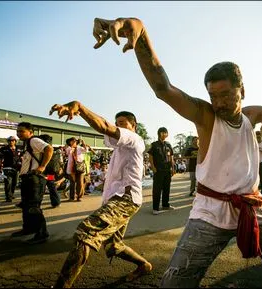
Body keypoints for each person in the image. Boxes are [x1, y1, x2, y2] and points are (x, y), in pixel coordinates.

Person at [91, 17, 262, 287]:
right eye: (213, 95)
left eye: (226, 95)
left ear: (243, 91)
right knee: (174, 284)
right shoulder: (206, 116)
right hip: (210, 212)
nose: (219, 103)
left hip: (254, 206)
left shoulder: (252, 115)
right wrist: (140, 33)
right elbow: (163, 87)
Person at [50, 102, 152, 288]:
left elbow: (104, 126)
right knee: (114, 246)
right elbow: (105, 128)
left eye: (122, 123)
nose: (118, 126)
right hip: (117, 200)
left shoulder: (134, 139)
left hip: (125, 200)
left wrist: (79, 108)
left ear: (133, 126)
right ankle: (144, 265)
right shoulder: (119, 148)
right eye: (117, 122)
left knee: (85, 234)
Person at [11, 122, 53, 244]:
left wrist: (42, 166)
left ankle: (42, 233)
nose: (19, 134)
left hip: (35, 179)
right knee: (26, 206)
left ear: (30, 132)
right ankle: (28, 229)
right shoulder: (26, 144)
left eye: (22, 131)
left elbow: (49, 148)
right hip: (27, 179)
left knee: (34, 207)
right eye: (17, 131)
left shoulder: (33, 140)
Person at [148, 127, 176, 215]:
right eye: (163, 132)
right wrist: (153, 167)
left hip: (167, 170)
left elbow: (171, 157)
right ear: (159, 134)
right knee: (157, 189)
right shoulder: (154, 145)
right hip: (158, 170)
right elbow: (151, 157)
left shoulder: (168, 145)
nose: (164, 134)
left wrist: (173, 168)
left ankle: (165, 205)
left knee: (166, 188)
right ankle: (155, 208)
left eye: (166, 133)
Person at [0, 136, 22, 202]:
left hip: (16, 168)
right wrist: (0, 166)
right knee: (8, 183)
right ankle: (8, 197)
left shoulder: (19, 149)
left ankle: (11, 194)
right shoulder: (3, 149)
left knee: (14, 183)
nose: (11, 142)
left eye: (13, 140)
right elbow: (0, 157)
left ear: (15, 141)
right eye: (9, 141)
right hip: (7, 168)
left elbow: (21, 157)